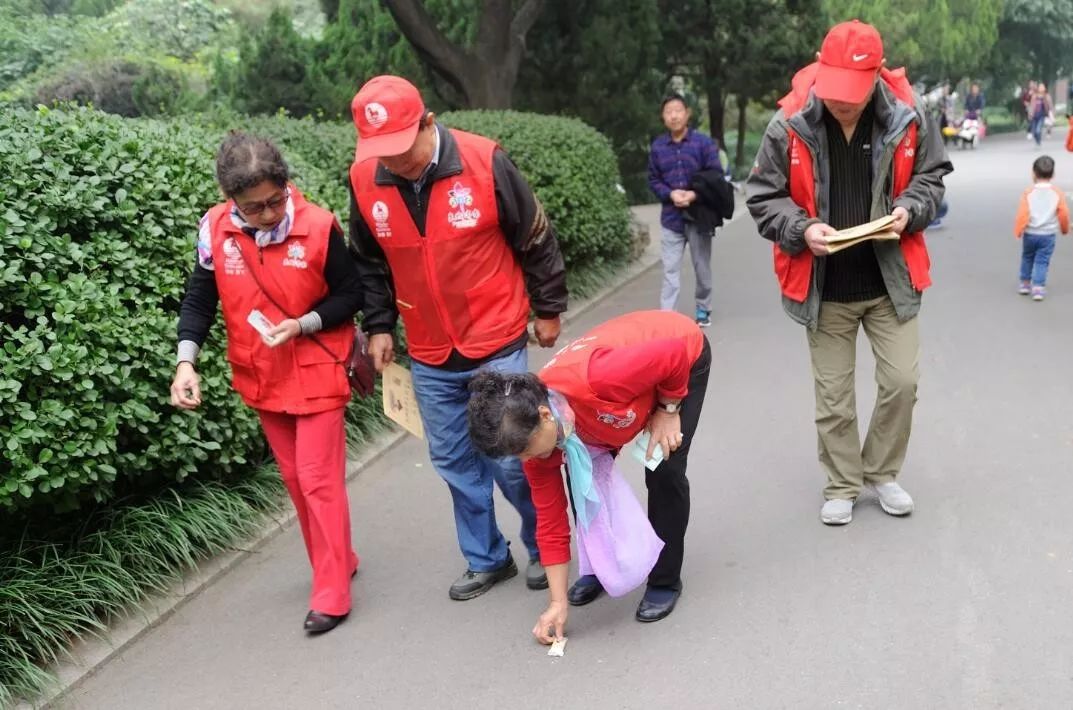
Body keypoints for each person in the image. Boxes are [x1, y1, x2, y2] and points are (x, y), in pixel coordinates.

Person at [347, 75, 568, 601]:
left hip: (496, 337)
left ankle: (544, 547)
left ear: (428, 123)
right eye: (381, 152)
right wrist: (379, 325)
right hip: (428, 348)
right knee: (453, 461)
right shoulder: (364, 180)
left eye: (402, 148)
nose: (393, 162)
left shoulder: (483, 160)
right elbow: (369, 263)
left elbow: (534, 235)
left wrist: (549, 307)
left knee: (512, 454)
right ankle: (487, 558)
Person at [746, 20, 952, 525]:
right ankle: (842, 482)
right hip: (826, 284)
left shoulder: (908, 116)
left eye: (854, 95)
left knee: (902, 381)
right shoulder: (790, 122)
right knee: (834, 396)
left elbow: (933, 177)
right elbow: (762, 196)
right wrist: (800, 229)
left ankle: (881, 472)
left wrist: (909, 209)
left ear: (877, 77)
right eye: (836, 92)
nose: (843, 103)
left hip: (889, 279)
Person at [171, 133, 363, 634]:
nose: (267, 214)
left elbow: (351, 292)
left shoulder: (319, 227)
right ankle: (338, 554)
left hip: (318, 368)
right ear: (230, 199)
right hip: (261, 374)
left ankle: (331, 588)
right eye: (253, 207)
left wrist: (304, 324)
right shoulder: (214, 229)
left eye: (275, 200)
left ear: (286, 184)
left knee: (319, 480)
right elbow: (199, 299)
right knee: (297, 481)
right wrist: (185, 362)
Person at [467, 310, 711, 640]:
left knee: (663, 469)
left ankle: (665, 579)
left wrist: (668, 410)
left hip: (679, 359)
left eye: (527, 450)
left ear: (544, 415)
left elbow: (673, 354)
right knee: (583, 478)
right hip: (617, 400)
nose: (528, 460)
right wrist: (557, 602)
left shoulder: (600, 379)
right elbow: (551, 521)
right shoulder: (536, 436)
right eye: (520, 455)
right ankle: (601, 567)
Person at [648, 94, 723, 326]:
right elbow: (653, 179)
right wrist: (669, 194)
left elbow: (715, 175)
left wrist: (693, 194)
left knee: (701, 267)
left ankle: (703, 309)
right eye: (668, 111)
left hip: (699, 216)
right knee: (670, 270)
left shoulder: (702, 144)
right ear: (663, 117)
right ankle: (667, 317)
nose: (674, 115)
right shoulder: (658, 147)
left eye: (678, 110)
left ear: (687, 114)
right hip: (671, 218)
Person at [1014, 155, 1069, 301]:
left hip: (1030, 232)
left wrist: (1019, 229)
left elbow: (1022, 213)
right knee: (1042, 260)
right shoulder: (1058, 193)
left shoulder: (1028, 192)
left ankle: (1025, 284)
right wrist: (1065, 229)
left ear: (1033, 173)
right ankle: (1038, 287)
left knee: (1027, 257)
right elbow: (1063, 213)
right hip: (1048, 234)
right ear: (1053, 174)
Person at [1029, 83, 1053, 147]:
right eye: (1040, 88)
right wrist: (1030, 114)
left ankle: (1039, 142)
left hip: (1041, 116)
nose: (1041, 89)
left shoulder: (1046, 96)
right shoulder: (1034, 96)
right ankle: (1037, 141)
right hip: (1034, 116)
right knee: (1034, 131)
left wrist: (1050, 113)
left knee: (1038, 130)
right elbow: (1031, 106)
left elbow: (1050, 105)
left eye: (1042, 88)